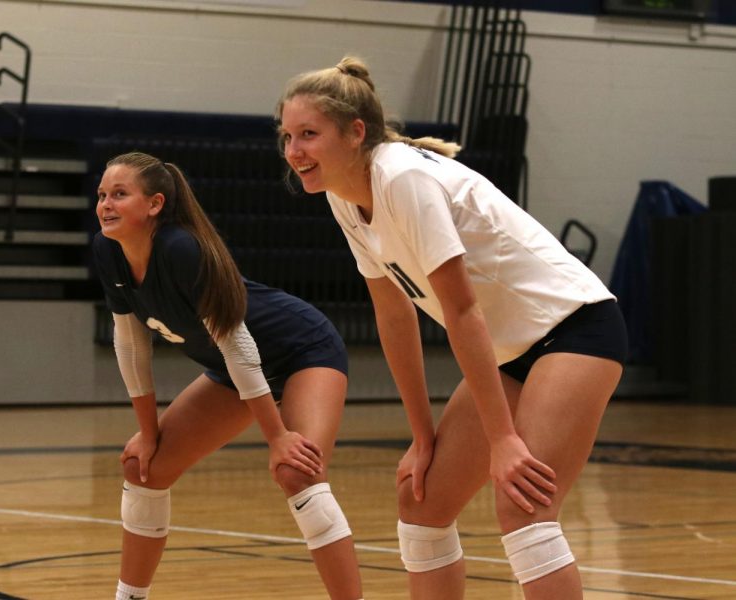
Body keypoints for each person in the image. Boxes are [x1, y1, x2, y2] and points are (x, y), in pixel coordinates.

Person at [275, 56, 626, 600]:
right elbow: (394, 316)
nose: (294, 151)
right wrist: (421, 435)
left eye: (308, 134)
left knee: (524, 506)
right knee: (422, 499)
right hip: (510, 350)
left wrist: (502, 439)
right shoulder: (346, 196)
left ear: (355, 133)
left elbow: (462, 311)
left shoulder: (403, 177)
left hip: (574, 329)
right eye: (288, 136)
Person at [92, 151, 364, 600]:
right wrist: (148, 433)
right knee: (144, 468)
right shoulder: (109, 250)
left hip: (302, 351)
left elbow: (239, 345)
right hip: (233, 369)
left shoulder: (181, 249)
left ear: (155, 204)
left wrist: (277, 437)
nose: (105, 204)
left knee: (297, 472)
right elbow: (131, 344)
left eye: (119, 194)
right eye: (102, 194)